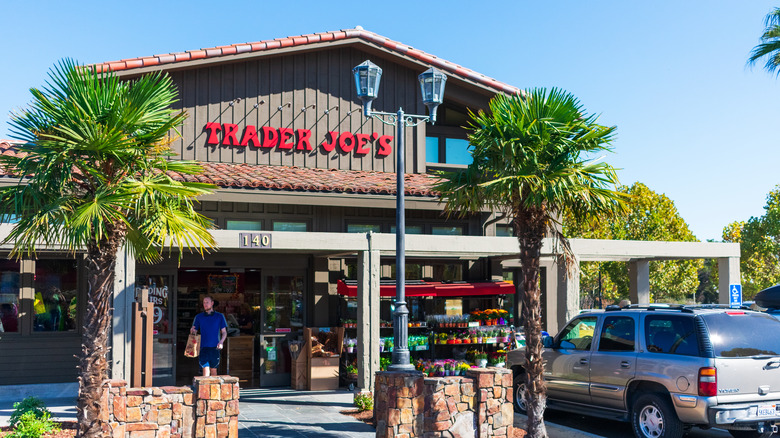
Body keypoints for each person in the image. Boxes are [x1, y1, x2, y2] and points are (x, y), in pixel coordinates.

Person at [190, 296, 228, 376]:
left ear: (212, 303)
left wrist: (221, 342)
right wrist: (193, 331)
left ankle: (214, 388)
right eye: (204, 302)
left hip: (215, 347)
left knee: (214, 371)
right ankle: (205, 388)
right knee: (206, 371)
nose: (205, 304)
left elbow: (224, 332)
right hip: (203, 347)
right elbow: (194, 332)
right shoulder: (199, 317)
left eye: (207, 302)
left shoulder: (219, 316)